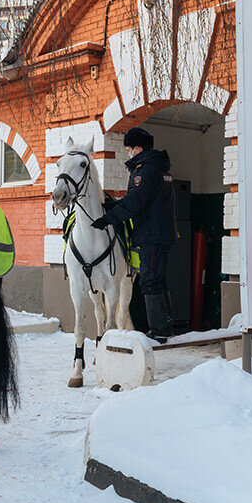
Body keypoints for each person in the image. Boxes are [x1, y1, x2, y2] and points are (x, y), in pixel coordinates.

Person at [91, 126, 176, 342]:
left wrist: (107, 218)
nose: (128, 152)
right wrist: (113, 206)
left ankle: (159, 331)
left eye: (129, 148)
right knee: (158, 280)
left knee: (150, 282)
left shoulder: (145, 170)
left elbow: (135, 203)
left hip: (152, 235)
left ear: (137, 148)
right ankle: (165, 327)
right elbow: (141, 201)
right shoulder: (158, 168)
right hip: (159, 233)